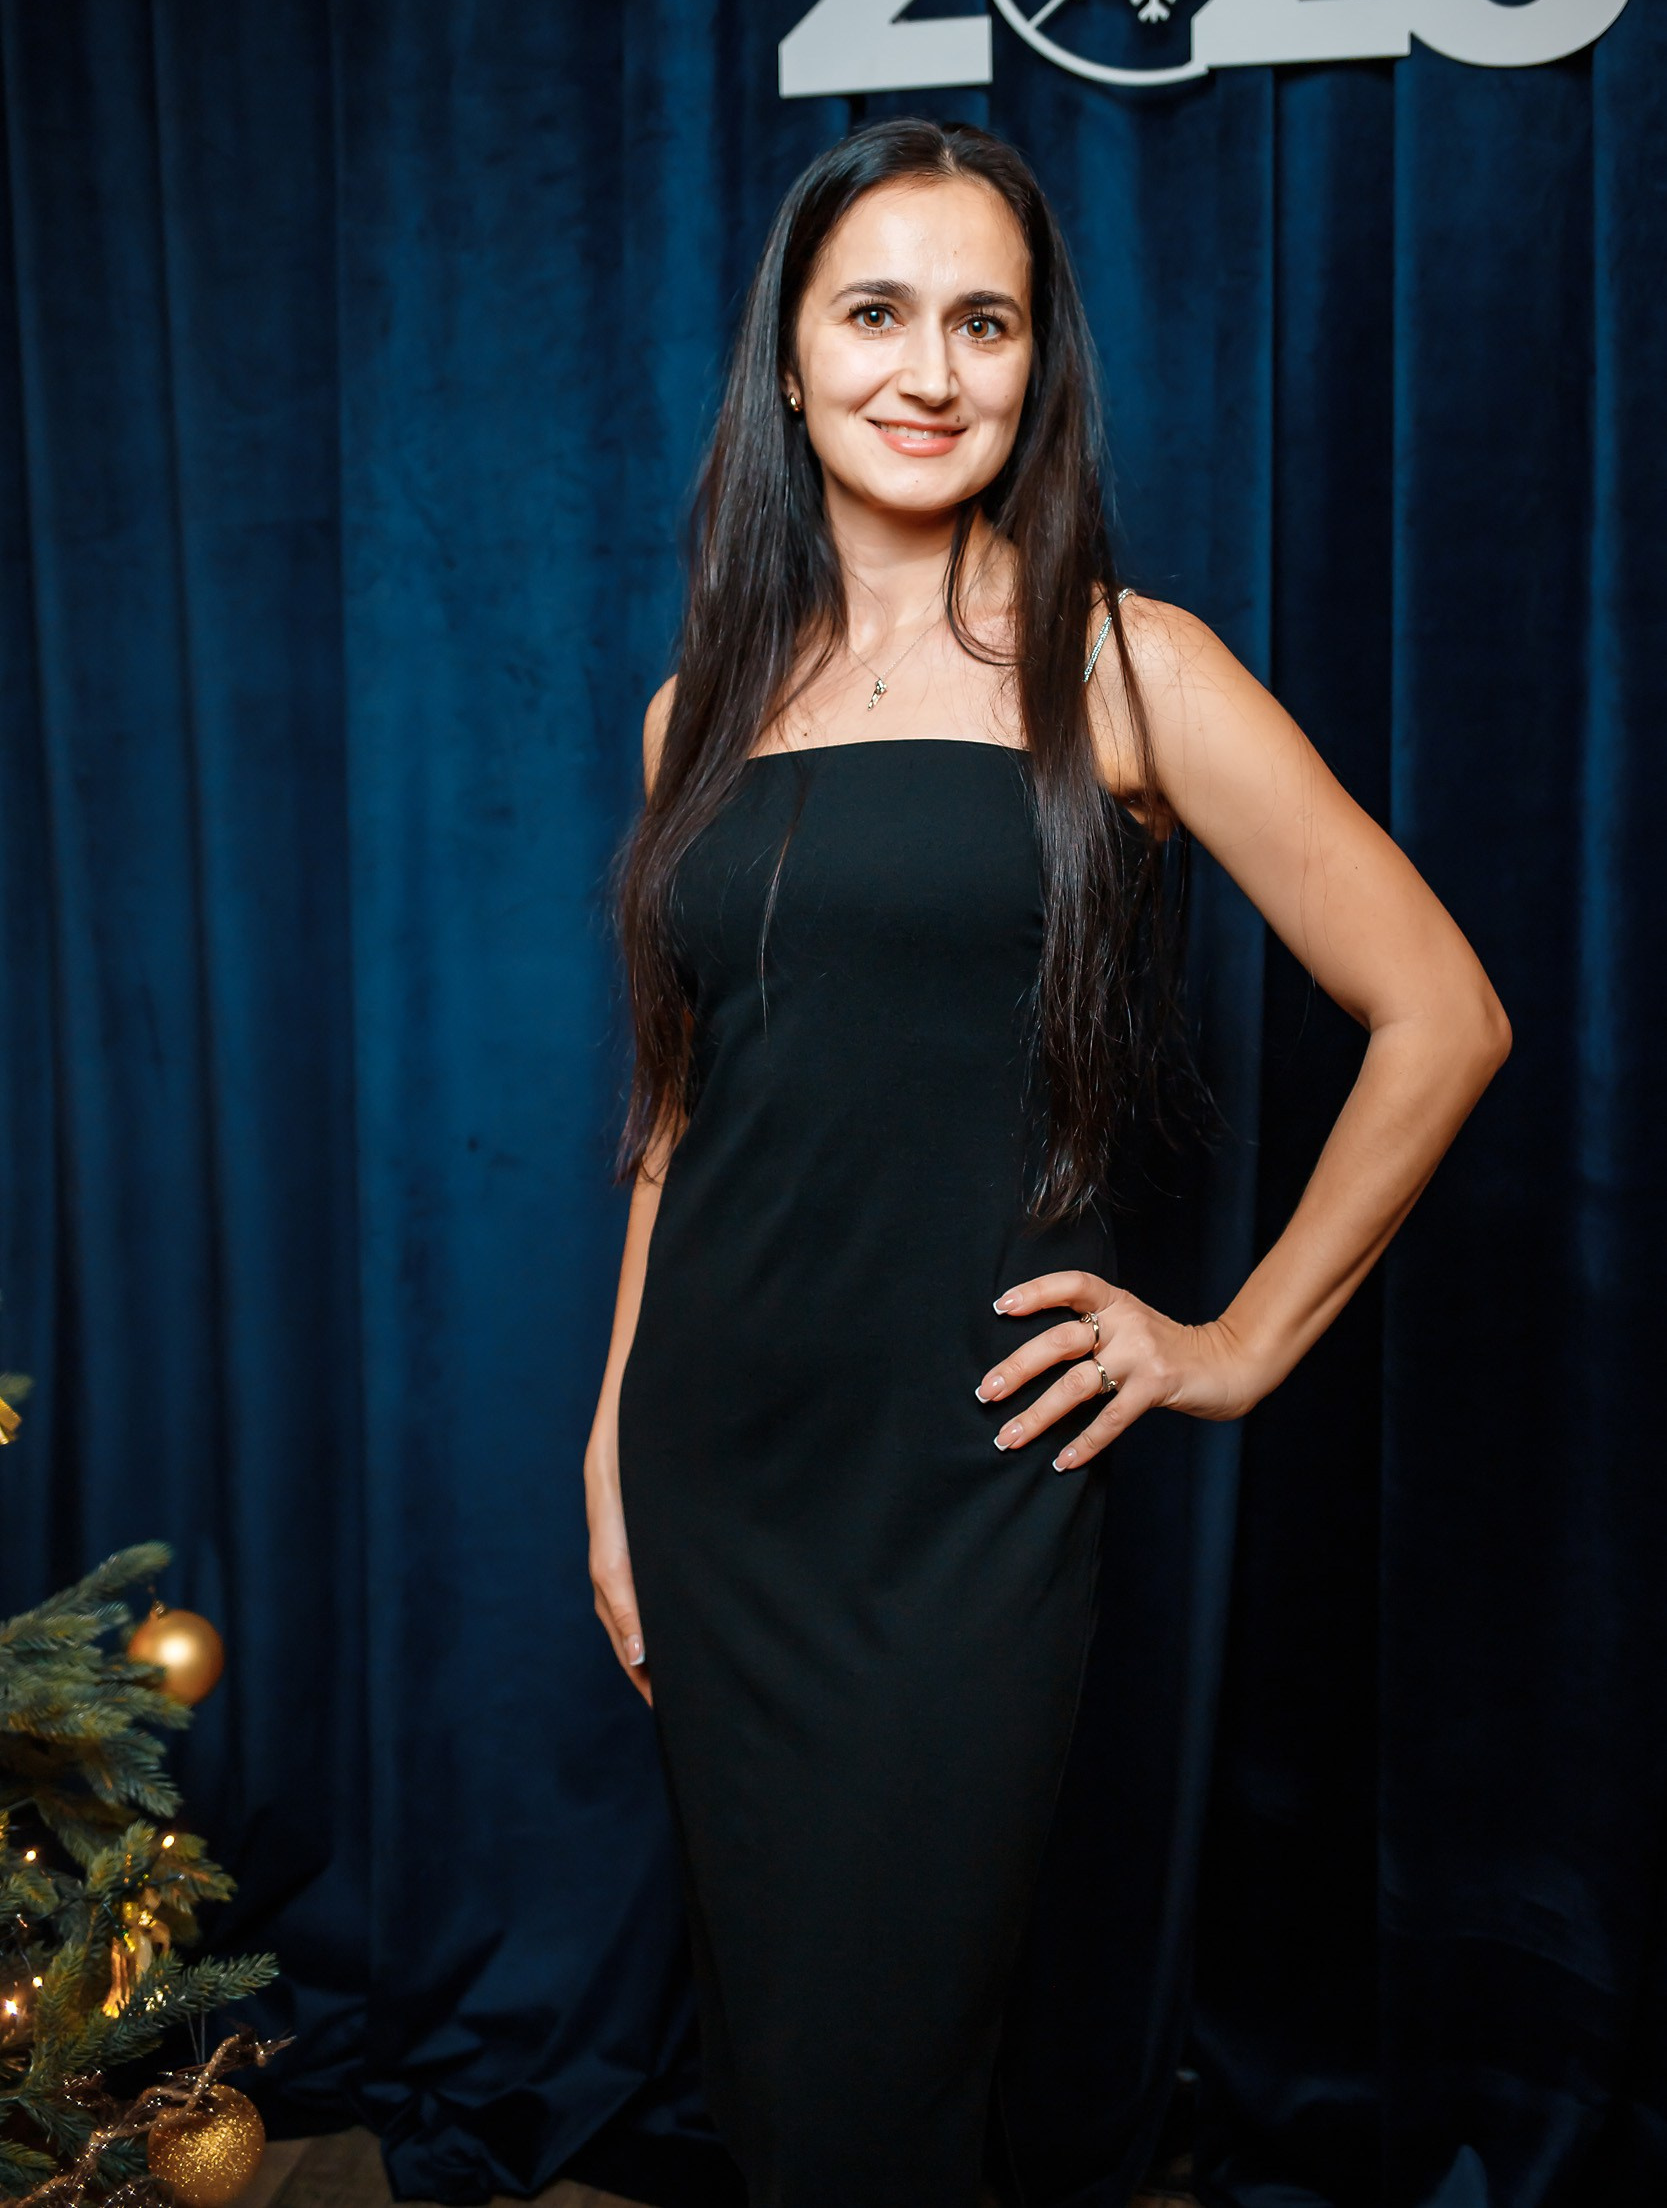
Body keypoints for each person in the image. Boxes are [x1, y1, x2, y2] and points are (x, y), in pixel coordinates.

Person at [583, 118, 1509, 2208]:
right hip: (722, 1470)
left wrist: (1235, 1344)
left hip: (968, 1486)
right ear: (790, 359)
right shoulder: (693, 710)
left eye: (982, 322)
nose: (930, 369)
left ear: (1037, 362)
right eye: (876, 312)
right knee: (779, 2069)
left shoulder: (1128, 664)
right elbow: (681, 1108)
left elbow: (1443, 1011)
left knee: (877, 2080)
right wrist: (614, 1436)